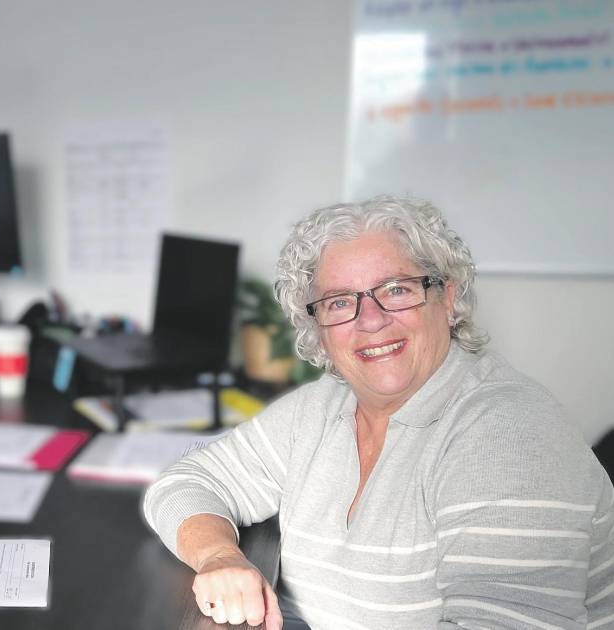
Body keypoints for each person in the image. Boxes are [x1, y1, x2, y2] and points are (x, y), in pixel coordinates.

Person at [143, 196, 614, 629]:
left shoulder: (509, 432)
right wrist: (218, 556)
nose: (371, 320)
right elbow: (187, 481)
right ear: (317, 326)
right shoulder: (325, 405)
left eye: (396, 290)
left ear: (447, 297)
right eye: (339, 301)